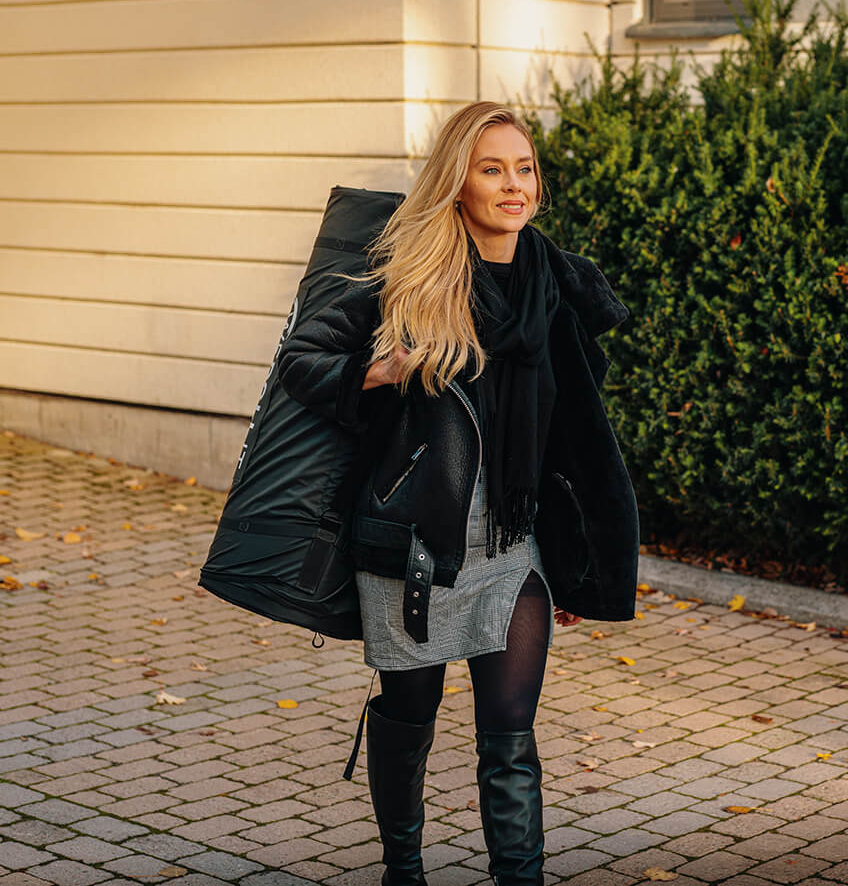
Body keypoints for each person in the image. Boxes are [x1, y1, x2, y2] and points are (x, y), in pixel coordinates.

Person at [274, 102, 640, 886]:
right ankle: (402, 869)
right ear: (458, 183)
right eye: (492, 169)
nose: (514, 185)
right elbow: (302, 358)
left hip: (512, 547)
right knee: (409, 717)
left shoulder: (553, 284)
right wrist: (372, 372)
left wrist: (576, 560)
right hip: (413, 547)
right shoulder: (409, 275)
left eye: (524, 168)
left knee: (511, 734)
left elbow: (575, 434)